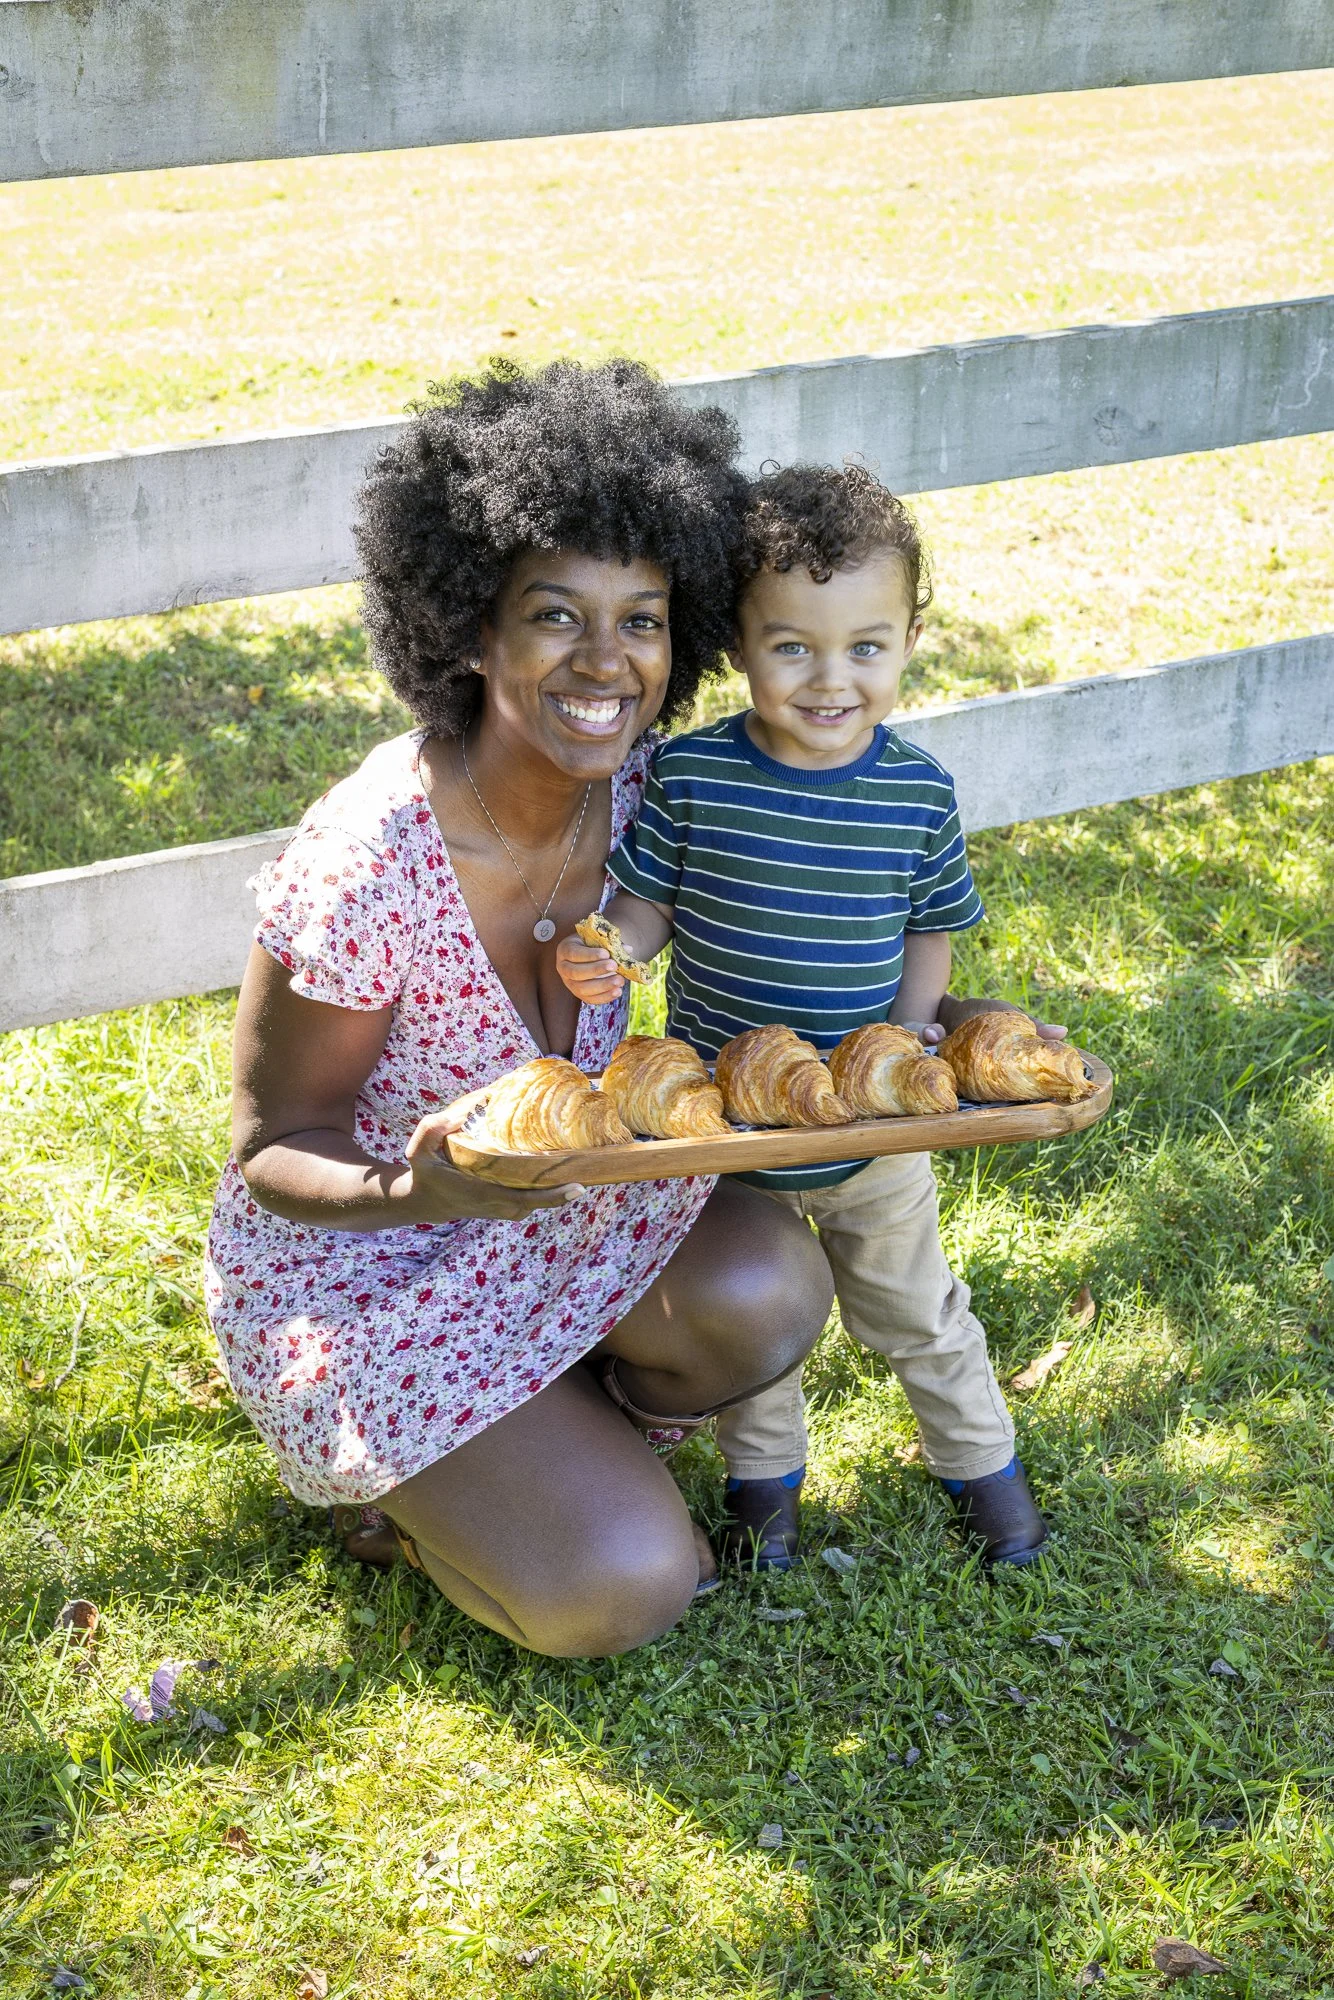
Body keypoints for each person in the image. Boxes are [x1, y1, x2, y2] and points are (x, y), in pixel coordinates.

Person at [205, 361, 834, 1658]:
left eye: (642, 618)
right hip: (367, 1270)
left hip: (564, 1214)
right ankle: (406, 1497)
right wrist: (423, 1187)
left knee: (769, 1284)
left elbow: (807, 924)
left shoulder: (654, 795)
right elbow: (274, 1148)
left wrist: (934, 1010)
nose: (606, 660)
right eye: (554, 616)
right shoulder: (369, 861)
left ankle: (553, 1437)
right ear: (469, 631)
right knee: (627, 1586)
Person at [557, 461, 1066, 1572]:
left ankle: (983, 1469)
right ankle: (765, 1494)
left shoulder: (916, 792)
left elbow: (929, 927)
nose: (831, 680)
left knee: (916, 1309)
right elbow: (645, 905)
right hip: (731, 1132)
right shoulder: (695, 776)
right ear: (737, 645)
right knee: (763, 1327)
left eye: (866, 647)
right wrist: (614, 949)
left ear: (911, 639)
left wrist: (912, 1038)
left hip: (874, 1130)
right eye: (791, 646)